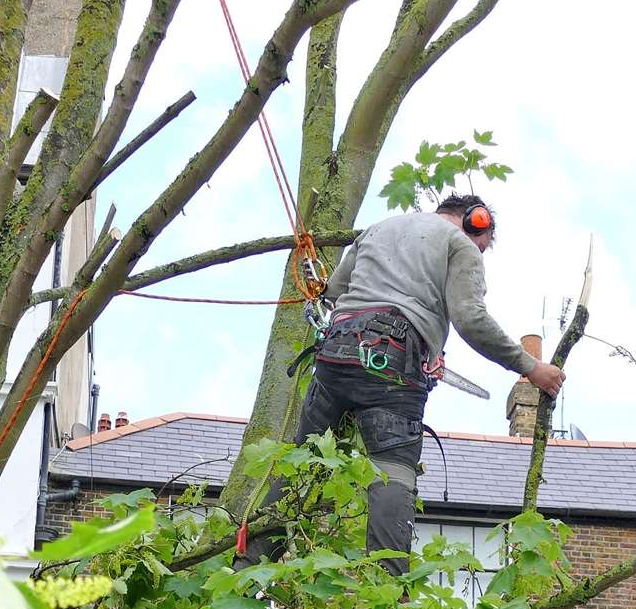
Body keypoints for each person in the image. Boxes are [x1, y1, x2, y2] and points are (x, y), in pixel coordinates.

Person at [239, 194, 564, 576]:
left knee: (298, 463)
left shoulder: (378, 230)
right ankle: (388, 595)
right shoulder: (459, 244)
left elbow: (334, 292)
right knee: (393, 475)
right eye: (482, 245)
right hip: (391, 367)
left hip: (336, 354)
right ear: (476, 222)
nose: (479, 253)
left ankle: (247, 568)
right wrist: (530, 368)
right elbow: (470, 318)